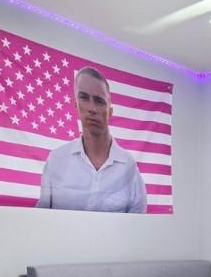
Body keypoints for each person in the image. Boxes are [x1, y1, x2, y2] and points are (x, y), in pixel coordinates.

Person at [36, 66, 147, 213]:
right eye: (84, 98)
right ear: (76, 104)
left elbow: (140, 225)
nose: (92, 108)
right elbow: (40, 219)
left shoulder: (128, 166)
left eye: (99, 101)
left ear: (110, 111)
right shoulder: (56, 159)